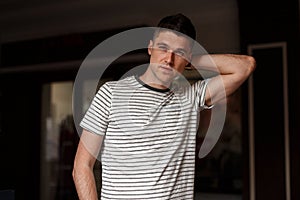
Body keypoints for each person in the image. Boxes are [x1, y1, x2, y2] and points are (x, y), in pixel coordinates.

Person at [72, 13, 256, 200]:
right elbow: (82, 166)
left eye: (179, 53)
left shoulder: (190, 97)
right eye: (163, 48)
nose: (169, 59)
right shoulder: (110, 93)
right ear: (150, 47)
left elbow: (245, 66)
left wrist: (189, 61)